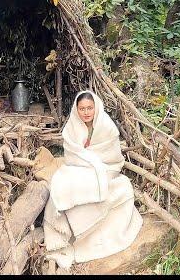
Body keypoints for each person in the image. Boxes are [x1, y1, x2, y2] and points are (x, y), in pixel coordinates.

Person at [42, 89, 143, 270]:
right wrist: (88, 161)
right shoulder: (71, 128)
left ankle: (88, 239)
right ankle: (62, 234)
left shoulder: (107, 127)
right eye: (82, 109)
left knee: (112, 185)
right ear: (76, 110)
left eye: (90, 108)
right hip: (78, 167)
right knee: (60, 181)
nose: (86, 112)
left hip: (106, 169)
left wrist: (95, 164)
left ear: (96, 108)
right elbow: (71, 156)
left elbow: (112, 158)